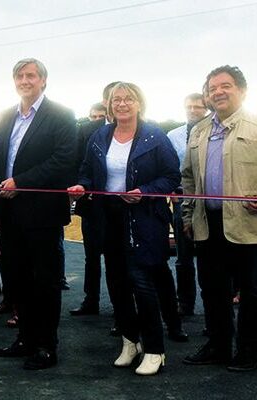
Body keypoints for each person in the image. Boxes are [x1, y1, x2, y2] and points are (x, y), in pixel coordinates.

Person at [69, 82, 180, 376]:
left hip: (144, 219)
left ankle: (155, 349)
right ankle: (130, 342)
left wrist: (144, 190)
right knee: (117, 283)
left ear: (139, 103)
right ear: (109, 105)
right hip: (109, 217)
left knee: (142, 284)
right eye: (116, 99)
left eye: (128, 99)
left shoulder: (155, 136)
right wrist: (84, 186)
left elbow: (171, 177)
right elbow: (87, 170)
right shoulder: (100, 135)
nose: (121, 104)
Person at [182, 66, 257, 372]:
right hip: (208, 223)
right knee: (212, 289)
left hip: (249, 225)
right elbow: (188, 178)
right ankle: (217, 345)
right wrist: (188, 214)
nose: (218, 92)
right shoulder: (199, 130)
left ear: (242, 90)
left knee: (252, 291)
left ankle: (248, 351)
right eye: (212, 88)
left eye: (225, 86)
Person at [0, 58, 77, 370]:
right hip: (7, 212)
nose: (25, 80)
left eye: (31, 75)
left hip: (41, 214)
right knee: (16, 278)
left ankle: (47, 346)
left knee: (44, 282)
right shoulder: (6, 115)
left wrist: (21, 182)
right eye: (20, 76)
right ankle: (25, 339)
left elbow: (63, 160)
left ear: (43, 80)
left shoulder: (61, 115)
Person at [69, 82, 118, 319]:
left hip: (121, 208)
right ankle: (91, 299)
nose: (115, 102)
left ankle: (122, 307)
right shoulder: (88, 130)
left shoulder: (139, 130)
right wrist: (82, 185)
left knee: (117, 259)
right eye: (110, 98)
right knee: (91, 257)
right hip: (92, 205)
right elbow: (79, 163)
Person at [166, 93, 208, 317]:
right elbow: (170, 167)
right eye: (189, 106)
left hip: (211, 199)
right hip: (182, 199)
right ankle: (185, 303)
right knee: (183, 257)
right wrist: (172, 191)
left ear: (206, 108)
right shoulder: (173, 135)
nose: (193, 110)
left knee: (212, 256)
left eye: (198, 107)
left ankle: (219, 304)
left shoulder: (216, 132)